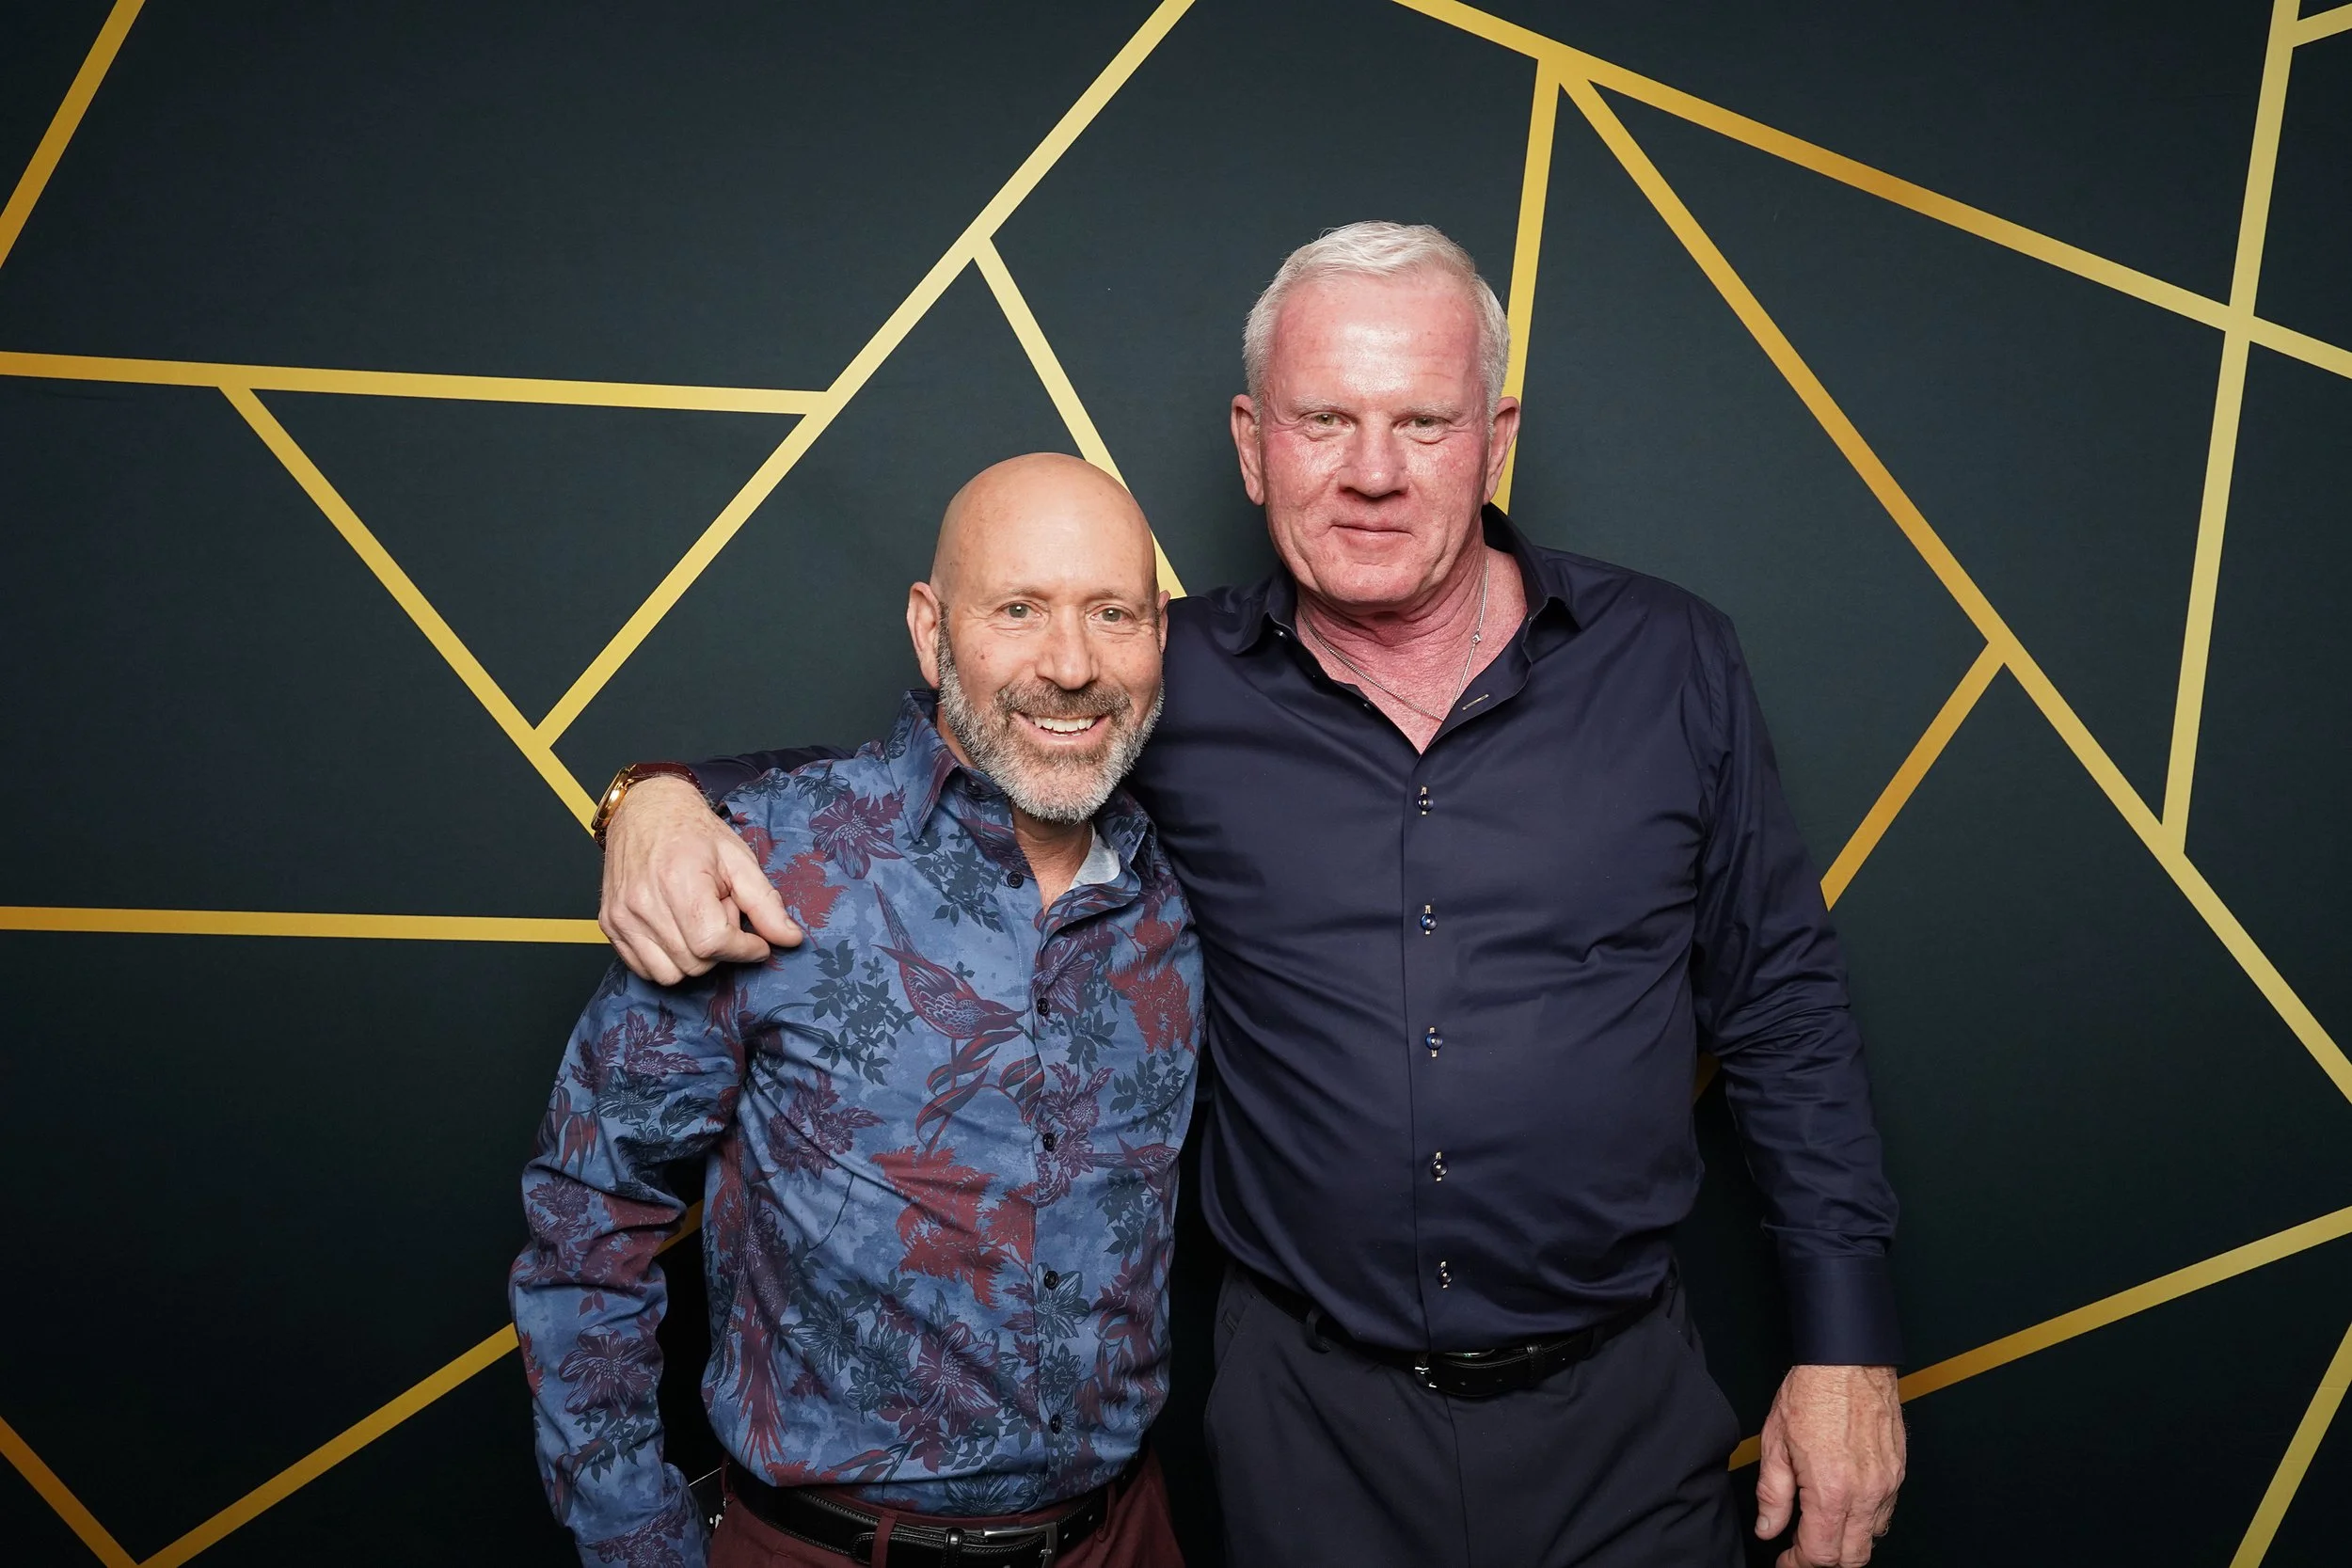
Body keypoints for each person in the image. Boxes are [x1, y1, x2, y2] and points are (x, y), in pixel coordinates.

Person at [595, 224, 1907, 1568]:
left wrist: (1847, 1341)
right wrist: (649, 797)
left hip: (1623, 1412)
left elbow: (1782, 1007)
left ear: (1497, 434)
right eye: (1325, 418)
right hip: (1308, 1426)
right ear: (1250, 442)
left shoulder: (1672, 661)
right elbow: (929, 758)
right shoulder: (1158, 678)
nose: (1375, 471)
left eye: (1425, 420)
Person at [512, 453, 1201, 1568]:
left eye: (1111, 612)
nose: (1070, 664)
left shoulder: (1171, 897)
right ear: (932, 631)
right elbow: (585, 1227)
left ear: (1158, 633)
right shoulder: (765, 866)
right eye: (1017, 609)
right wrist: (637, 1544)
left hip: (1121, 1535)